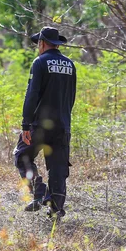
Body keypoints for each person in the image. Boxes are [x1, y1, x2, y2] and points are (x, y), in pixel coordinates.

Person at [14, 27, 76, 221]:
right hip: (62, 125)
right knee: (57, 168)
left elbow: (32, 94)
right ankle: (56, 209)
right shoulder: (70, 65)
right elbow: (71, 97)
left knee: (22, 155)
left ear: (41, 43)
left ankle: (39, 190)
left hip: (39, 124)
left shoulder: (39, 62)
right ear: (56, 43)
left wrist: (26, 124)